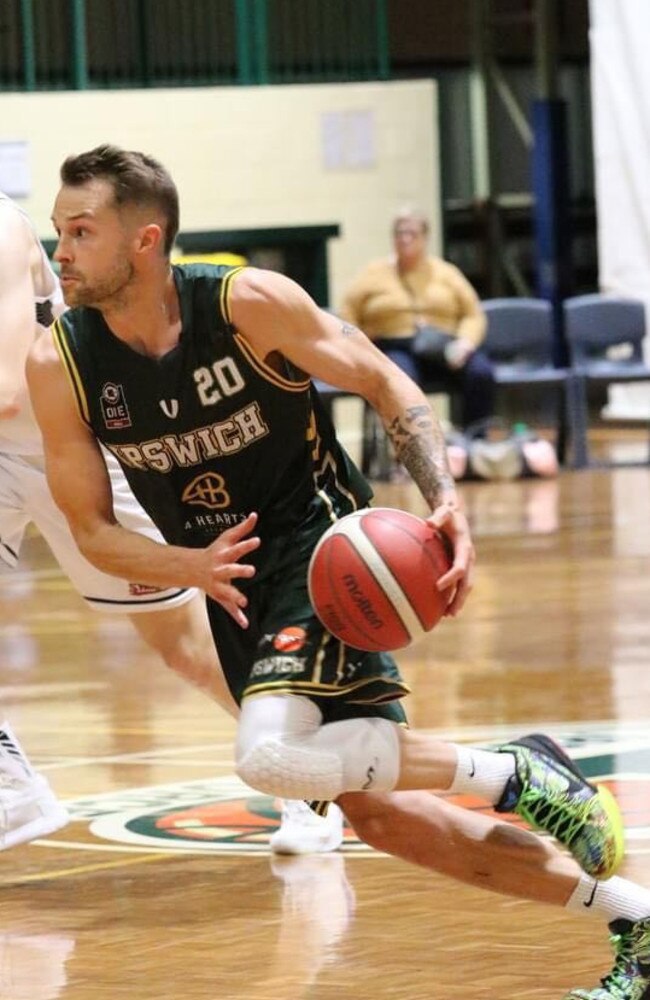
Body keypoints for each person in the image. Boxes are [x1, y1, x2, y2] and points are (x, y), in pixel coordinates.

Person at [24, 145, 650, 999]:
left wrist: (444, 500)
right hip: (229, 582)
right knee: (385, 818)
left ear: (146, 240)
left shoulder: (247, 304)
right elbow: (93, 531)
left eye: (81, 231)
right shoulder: (59, 361)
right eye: (58, 231)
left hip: (321, 551)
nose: (60, 250)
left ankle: (515, 774)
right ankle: (633, 919)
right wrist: (187, 565)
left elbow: (388, 384)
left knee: (270, 761)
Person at [0, 190, 343, 856]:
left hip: (64, 446)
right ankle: (13, 784)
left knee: (186, 649)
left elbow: (9, 389)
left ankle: (300, 771)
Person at [340, 207, 496, 431]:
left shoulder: (446, 273)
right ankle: (410, 452)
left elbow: (473, 314)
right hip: (395, 347)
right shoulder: (372, 273)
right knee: (402, 381)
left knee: (481, 373)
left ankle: (474, 442)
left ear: (425, 237)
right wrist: (362, 346)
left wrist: (465, 343)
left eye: (412, 233)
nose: (405, 239)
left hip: (441, 347)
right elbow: (348, 314)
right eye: (399, 233)